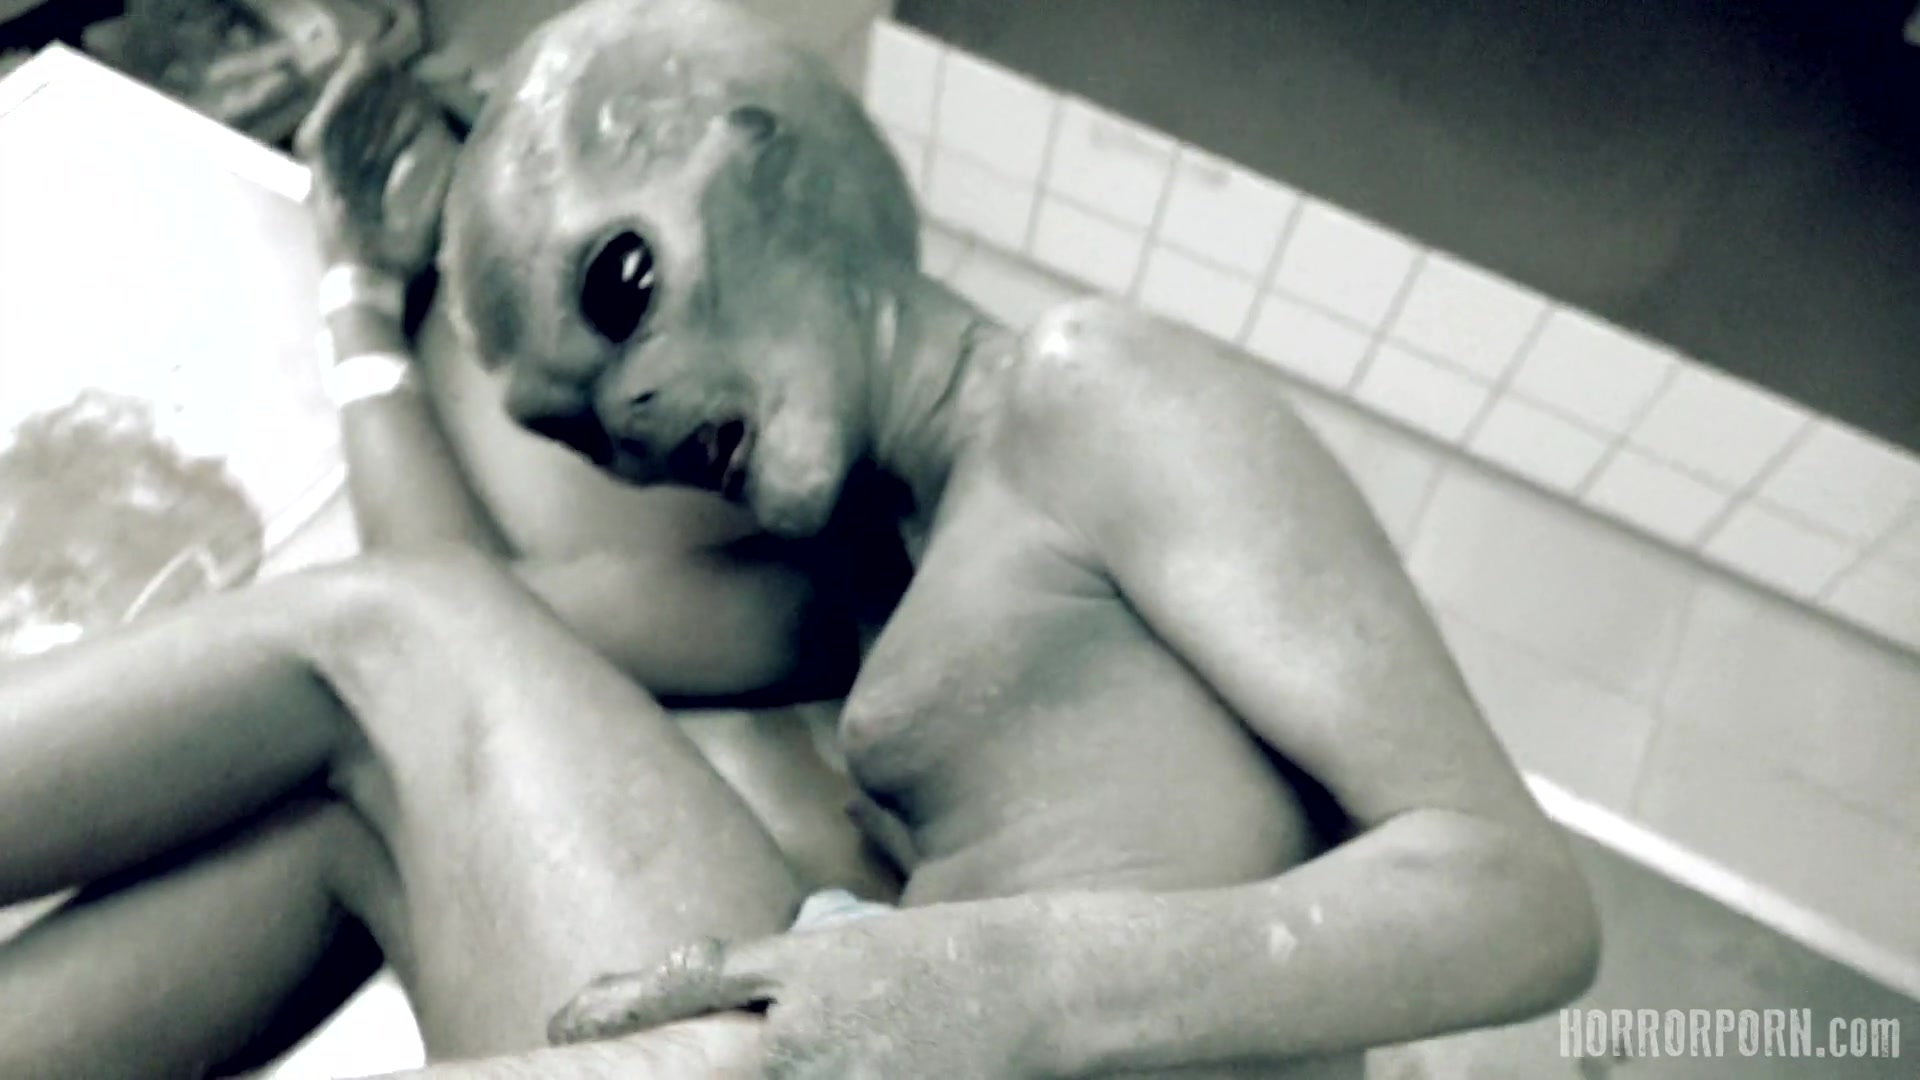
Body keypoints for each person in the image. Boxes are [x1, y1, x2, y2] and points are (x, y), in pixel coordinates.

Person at [0, 1, 1601, 1077]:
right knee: (345, 805)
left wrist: (1015, 986)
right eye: (578, 425)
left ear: (762, 148)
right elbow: (465, 606)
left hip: (1001, 1045)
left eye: (621, 292)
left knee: (385, 643)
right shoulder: (846, 586)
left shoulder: (1089, 394)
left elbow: (1520, 897)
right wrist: (355, 286)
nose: (627, 417)